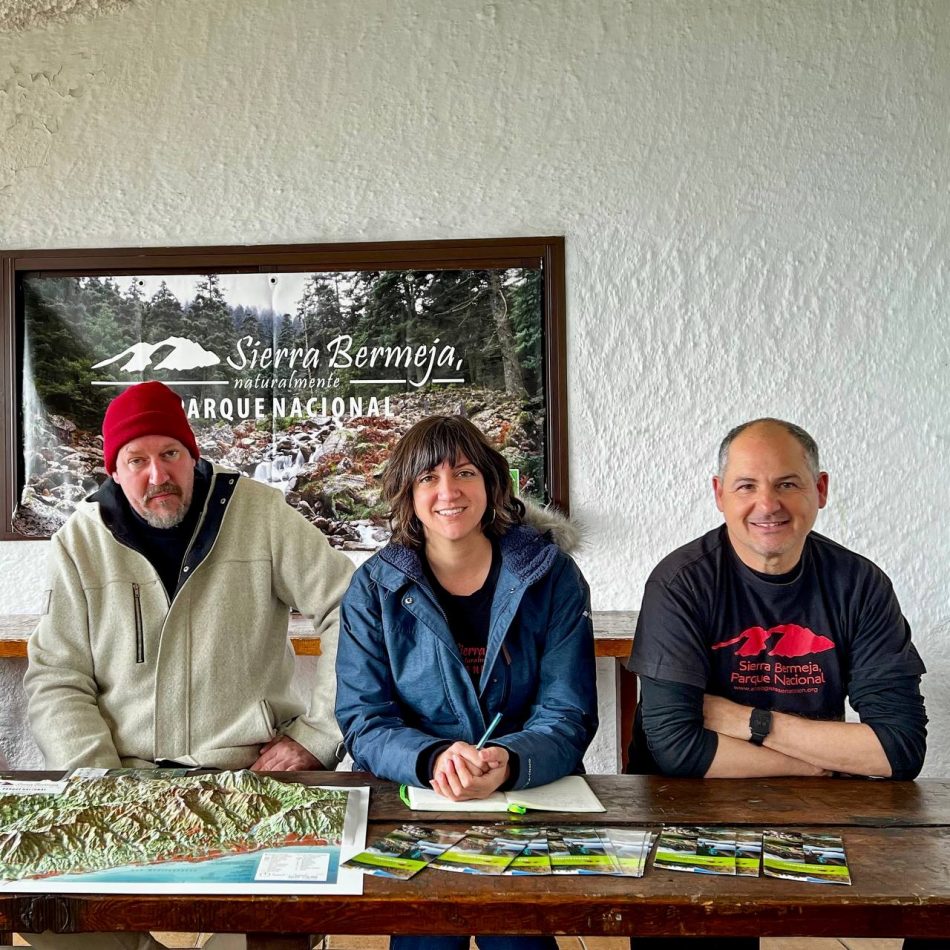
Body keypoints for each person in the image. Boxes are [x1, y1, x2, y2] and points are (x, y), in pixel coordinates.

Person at [24, 380, 355, 950]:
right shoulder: (79, 542)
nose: (158, 475)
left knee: (286, 923)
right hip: (123, 778)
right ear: (113, 469)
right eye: (137, 460)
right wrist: (100, 783)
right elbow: (58, 678)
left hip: (247, 776)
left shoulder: (258, 512)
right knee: (44, 912)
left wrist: (318, 735)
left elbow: (353, 609)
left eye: (170, 453)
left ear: (192, 452)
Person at [628, 418, 929, 950]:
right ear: (719, 495)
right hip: (691, 812)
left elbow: (900, 749)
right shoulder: (681, 582)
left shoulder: (860, 584)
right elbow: (674, 747)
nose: (768, 504)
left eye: (787, 483)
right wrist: (833, 761)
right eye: (747, 485)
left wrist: (748, 721)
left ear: (821, 490)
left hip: (820, 815)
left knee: (925, 909)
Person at [336, 414, 597, 950]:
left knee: (519, 939)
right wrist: (434, 758)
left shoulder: (553, 578)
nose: (448, 491)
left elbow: (567, 713)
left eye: (465, 473)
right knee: (425, 941)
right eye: (428, 478)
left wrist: (510, 760)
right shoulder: (373, 588)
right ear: (406, 494)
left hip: (527, 795)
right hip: (416, 800)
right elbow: (364, 720)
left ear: (493, 484)